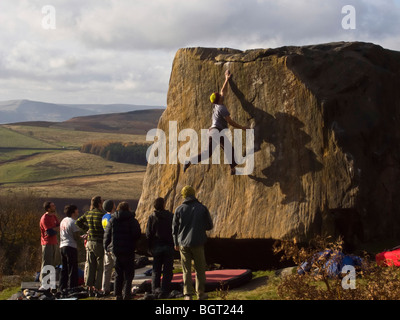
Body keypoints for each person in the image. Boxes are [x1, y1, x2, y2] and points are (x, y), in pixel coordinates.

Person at [183, 70, 249, 175]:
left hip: (212, 131)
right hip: (217, 131)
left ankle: (189, 161)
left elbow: (223, 91)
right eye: (220, 96)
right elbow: (230, 121)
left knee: (208, 153)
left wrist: (226, 79)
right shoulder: (222, 109)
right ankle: (232, 169)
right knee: (228, 149)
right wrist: (242, 128)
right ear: (219, 99)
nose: (221, 95)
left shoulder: (216, 105)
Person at [172, 186, 213, 300]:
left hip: (183, 244)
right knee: (200, 269)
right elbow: (209, 226)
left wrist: (176, 243)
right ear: (194, 194)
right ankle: (200, 293)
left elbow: (174, 229)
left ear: (184, 196)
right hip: (198, 242)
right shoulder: (202, 208)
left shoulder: (179, 209)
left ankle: (188, 295)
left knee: (186, 269)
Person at [104, 202, 141, 300]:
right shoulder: (132, 220)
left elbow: (107, 235)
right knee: (129, 273)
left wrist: (106, 247)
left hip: (116, 250)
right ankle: (127, 293)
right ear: (128, 209)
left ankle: (118, 294)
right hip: (128, 249)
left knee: (118, 273)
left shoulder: (112, 220)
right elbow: (137, 234)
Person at [76, 196, 105, 296]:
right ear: (99, 203)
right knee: (100, 267)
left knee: (91, 265)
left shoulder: (88, 213)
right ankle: (98, 288)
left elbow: (78, 222)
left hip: (89, 242)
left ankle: (89, 287)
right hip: (99, 242)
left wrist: (88, 229)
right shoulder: (102, 214)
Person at [145, 197, 174, 298]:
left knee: (156, 270)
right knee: (167, 270)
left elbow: (148, 233)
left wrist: (149, 247)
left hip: (157, 245)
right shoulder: (170, 216)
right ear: (164, 204)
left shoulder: (152, 217)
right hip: (169, 245)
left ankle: (155, 290)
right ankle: (165, 290)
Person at [59, 204, 80, 294]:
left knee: (64, 268)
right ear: (73, 212)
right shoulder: (73, 222)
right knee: (72, 268)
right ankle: (72, 287)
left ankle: (62, 286)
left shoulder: (63, 221)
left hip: (62, 245)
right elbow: (76, 236)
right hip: (70, 246)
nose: (78, 212)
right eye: (76, 210)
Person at [39, 201, 60, 283]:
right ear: (48, 208)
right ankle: (44, 281)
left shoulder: (54, 217)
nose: (54, 206)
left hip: (54, 242)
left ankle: (50, 281)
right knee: (46, 263)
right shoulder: (44, 218)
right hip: (47, 243)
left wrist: (54, 229)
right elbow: (50, 232)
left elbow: (59, 226)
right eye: (52, 206)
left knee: (53, 263)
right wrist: (55, 229)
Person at [101, 200, 116, 295]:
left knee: (107, 269)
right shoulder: (112, 218)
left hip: (106, 244)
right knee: (118, 267)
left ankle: (105, 288)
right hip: (113, 244)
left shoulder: (104, 217)